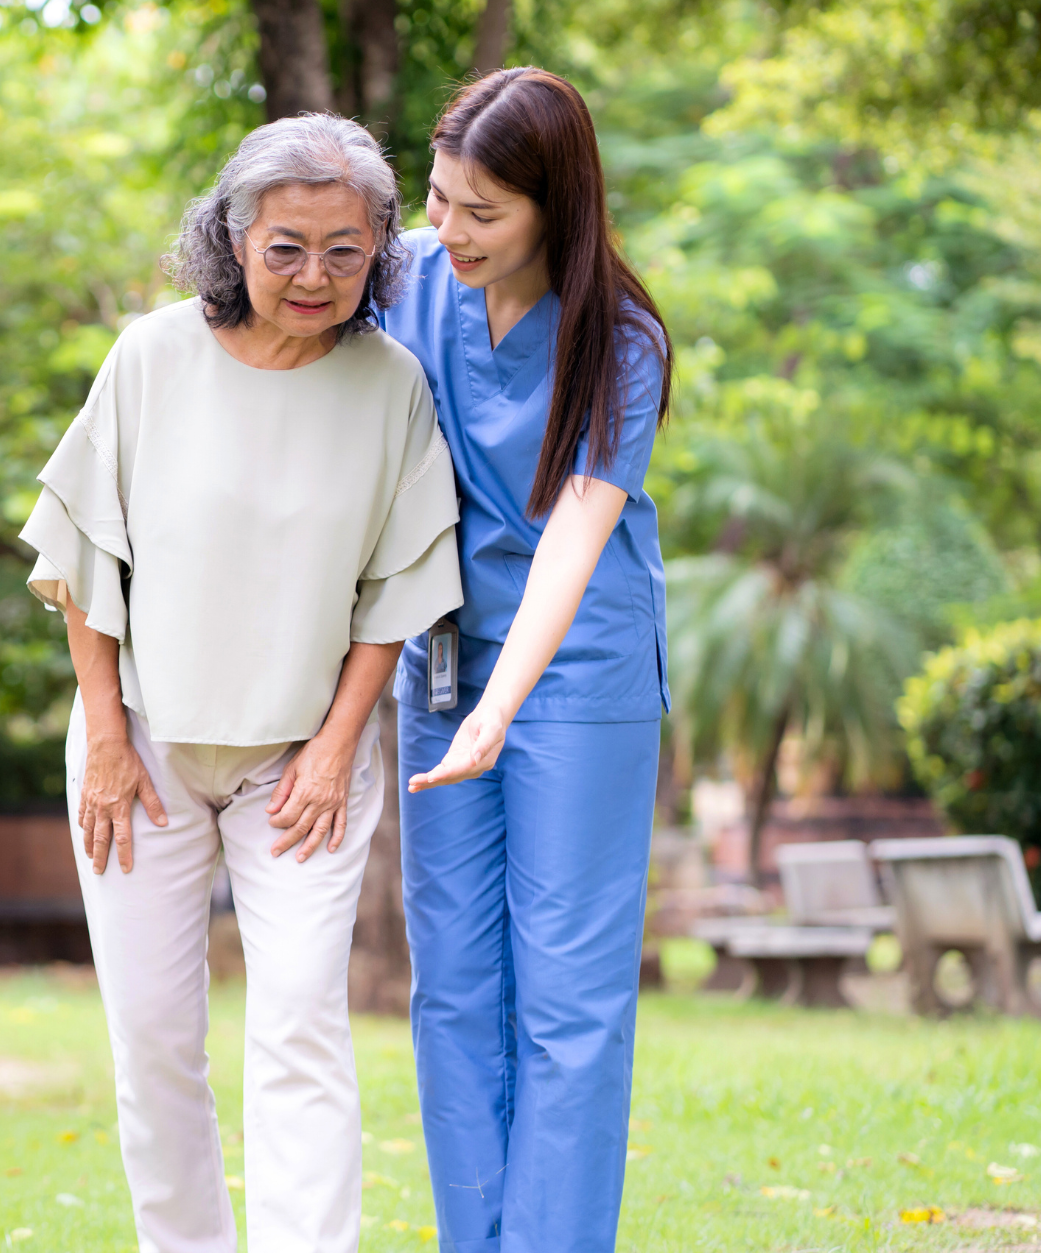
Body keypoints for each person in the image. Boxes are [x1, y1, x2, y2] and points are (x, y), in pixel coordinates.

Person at [19, 113, 462, 1253]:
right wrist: (108, 738)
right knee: (155, 1040)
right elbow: (83, 561)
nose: (314, 276)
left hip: (302, 766)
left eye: (345, 251)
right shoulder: (151, 356)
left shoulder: (393, 386)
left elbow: (394, 594)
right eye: (286, 248)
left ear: (380, 254)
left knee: (301, 1028)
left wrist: (332, 749)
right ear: (232, 237)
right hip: (143, 751)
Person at [376, 67, 673, 1253]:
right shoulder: (405, 273)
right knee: (451, 991)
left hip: (578, 675)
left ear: (557, 205)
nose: (450, 230)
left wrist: (501, 711)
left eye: (482, 212)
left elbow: (572, 545)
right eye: (441, 198)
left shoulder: (621, 341)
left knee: (567, 1003)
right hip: (443, 660)